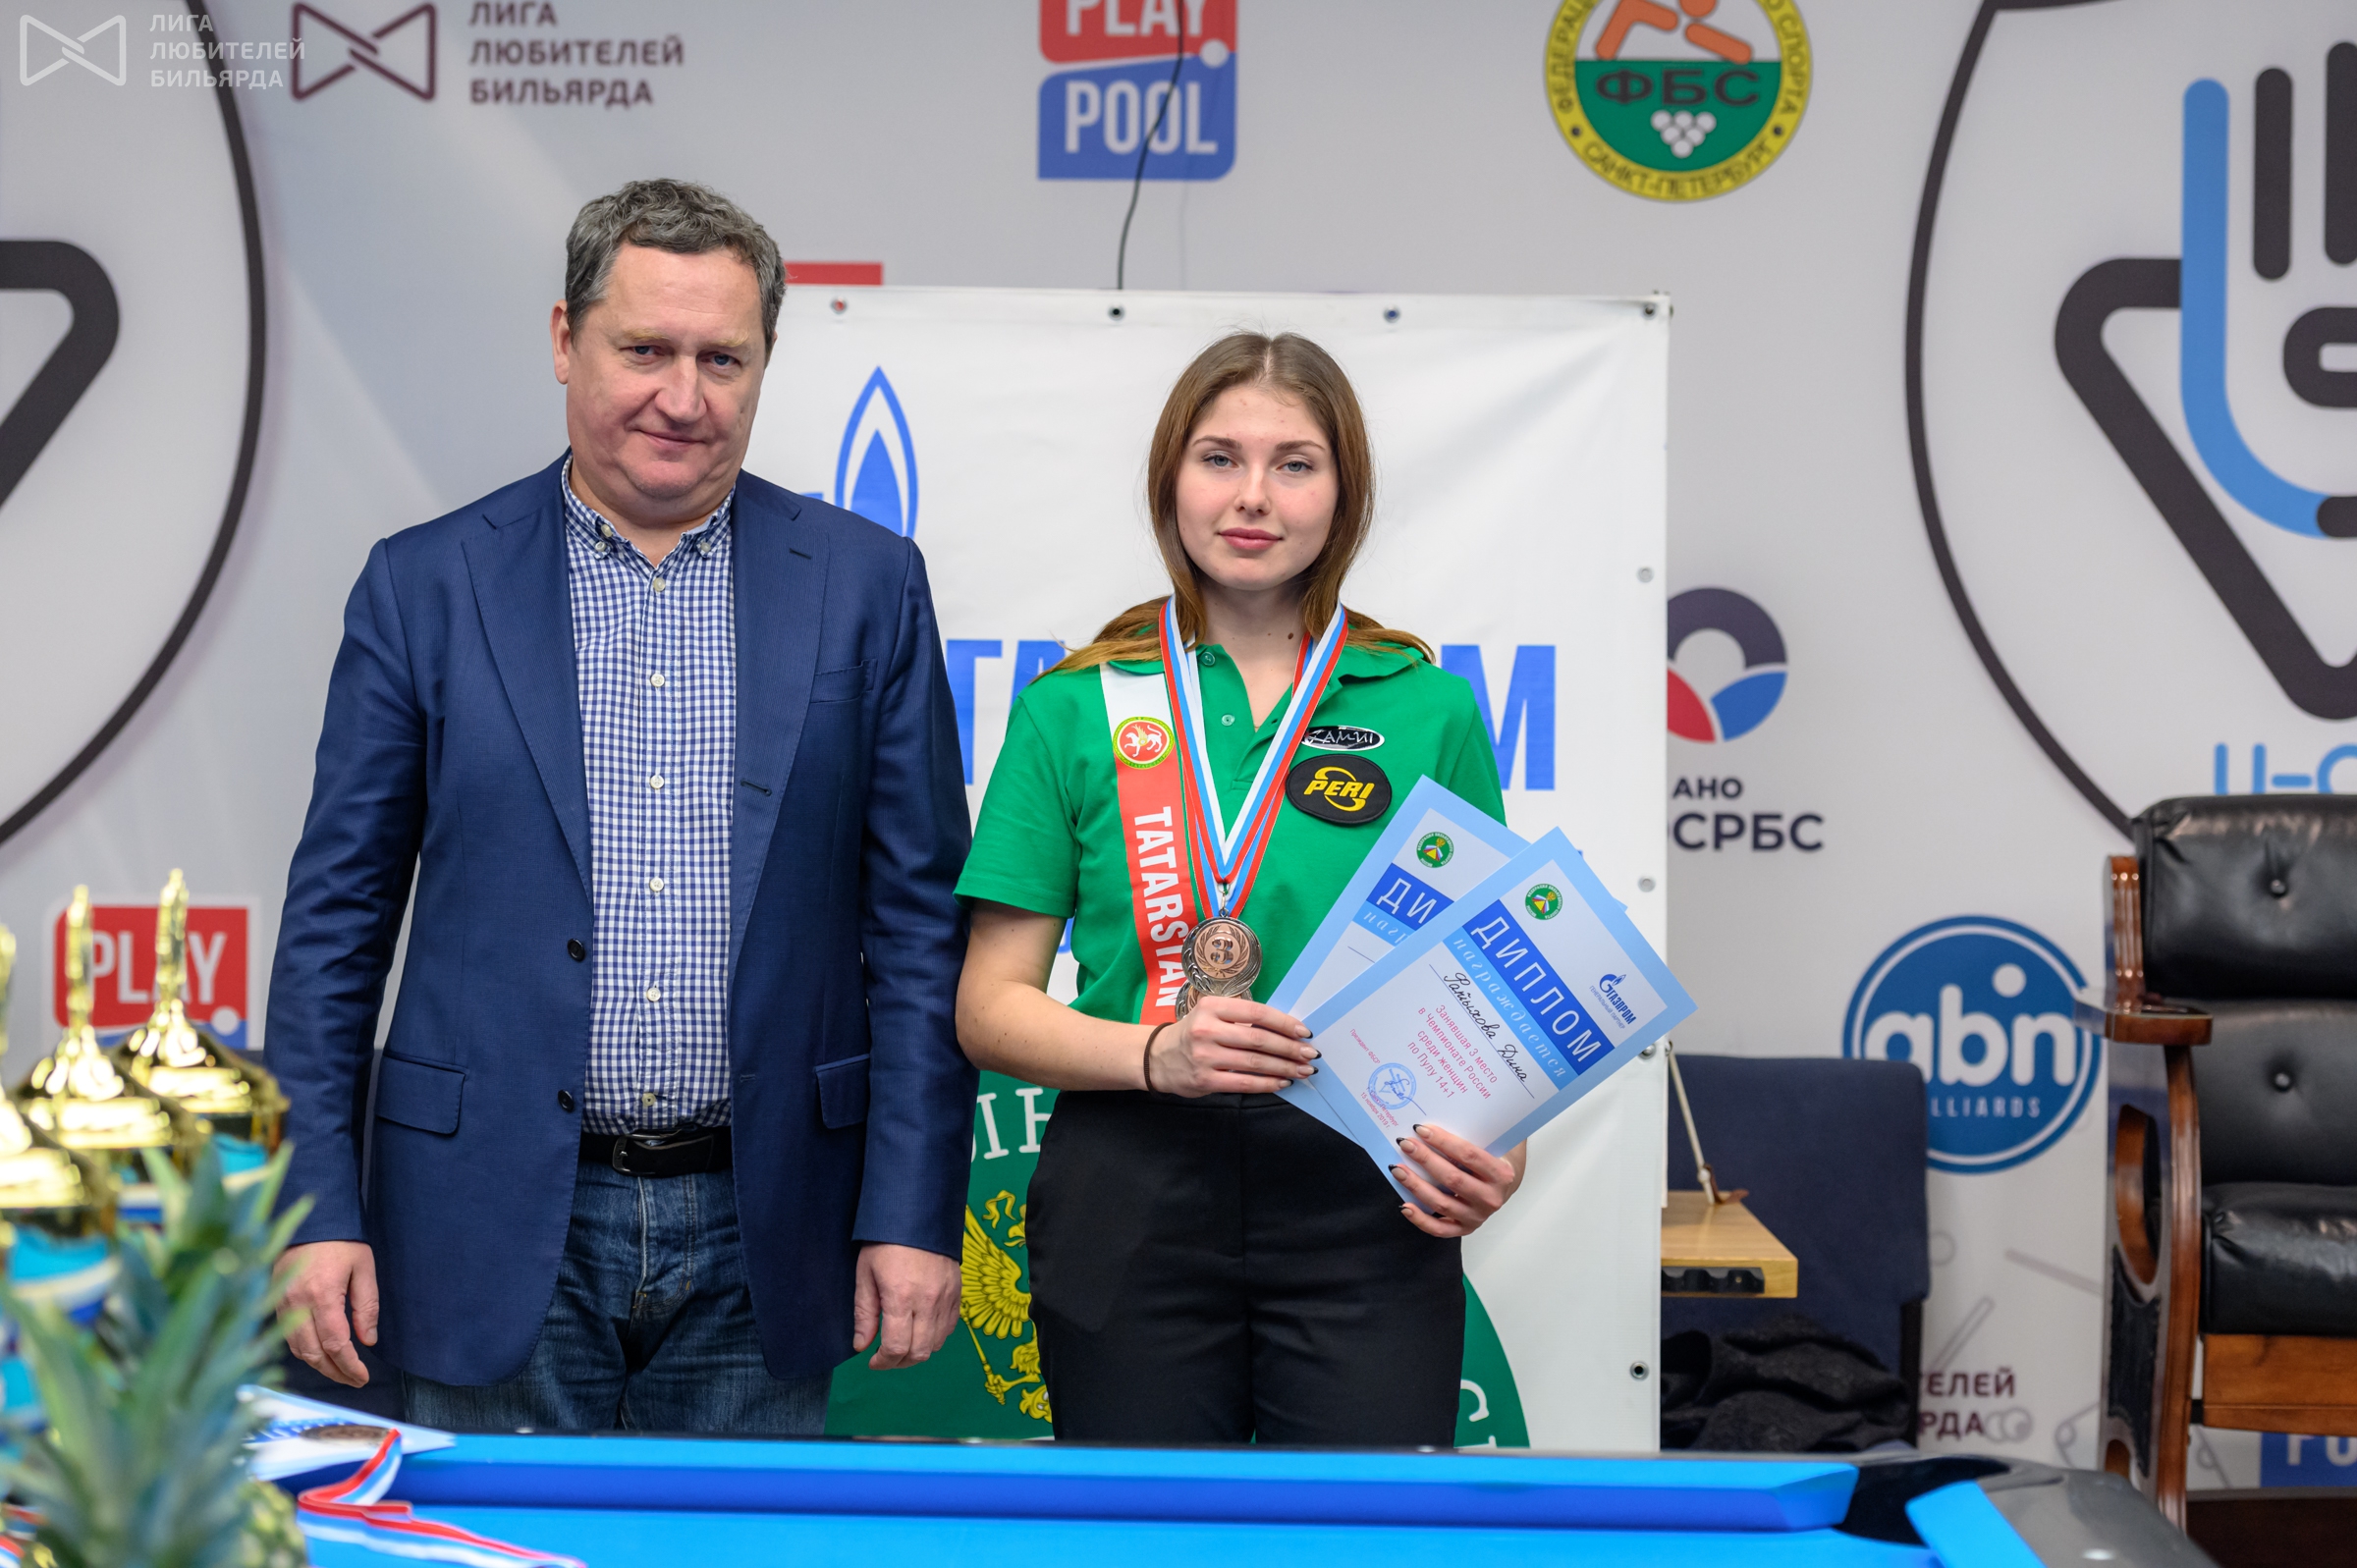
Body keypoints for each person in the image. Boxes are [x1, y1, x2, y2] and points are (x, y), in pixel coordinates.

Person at [267, 179, 974, 1434]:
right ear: (565, 339)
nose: (682, 398)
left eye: (722, 359)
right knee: (496, 1535)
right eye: (644, 350)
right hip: (483, 1214)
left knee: (738, 1537)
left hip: (772, 1220)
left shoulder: (867, 586)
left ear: (764, 364)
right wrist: (314, 1206)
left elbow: (921, 933)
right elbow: (335, 932)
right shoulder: (427, 584)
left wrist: (912, 1212)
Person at [956, 332, 1525, 1445]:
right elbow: (989, 1005)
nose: (1253, 495)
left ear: (1343, 492)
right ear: (1170, 478)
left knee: (1359, 1531)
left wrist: (1499, 1150)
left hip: (1365, 1186)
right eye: (1219, 457)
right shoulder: (1073, 705)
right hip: (1129, 1186)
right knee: (1146, 1531)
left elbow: (1490, 989)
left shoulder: (1428, 706)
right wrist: (1155, 1055)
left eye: (1295, 463)